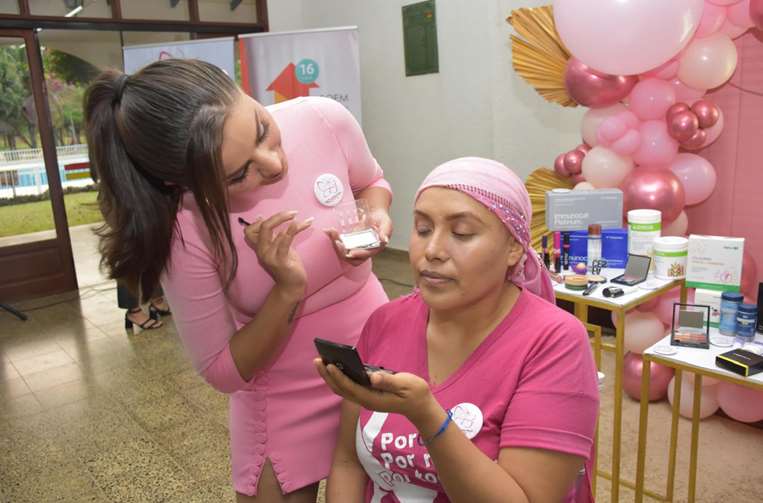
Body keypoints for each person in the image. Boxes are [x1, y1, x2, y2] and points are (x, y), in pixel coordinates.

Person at [84, 59, 393, 502]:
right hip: (283, 395)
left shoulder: (323, 119)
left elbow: (372, 182)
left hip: (377, 357)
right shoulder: (184, 227)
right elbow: (222, 370)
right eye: (237, 175)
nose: (274, 163)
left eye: (263, 128)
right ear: (181, 183)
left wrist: (375, 213)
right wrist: (287, 289)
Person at [316, 157, 599, 503]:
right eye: (422, 229)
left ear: (514, 248)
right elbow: (348, 462)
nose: (432, 251)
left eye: (461, 233)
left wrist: (428, 418)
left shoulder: (555, 342)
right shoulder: (385, 322)